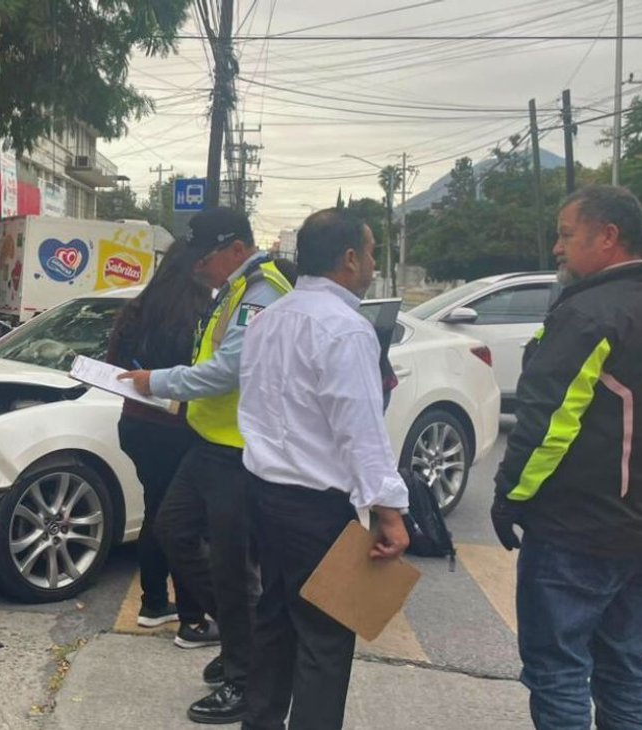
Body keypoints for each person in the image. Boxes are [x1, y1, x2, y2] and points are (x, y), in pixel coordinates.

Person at [490, 185, 642, 729]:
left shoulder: (588, 315)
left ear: (608, 236)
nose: (557, 248)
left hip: (578, 534)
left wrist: (509, 496)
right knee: (626, 668)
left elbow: (546, 427)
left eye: (565, 235)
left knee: (559, 671)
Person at [236, 208, 410, 730]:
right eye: (373, 251)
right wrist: (390, 511)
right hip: (316, 506)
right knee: (326, 640)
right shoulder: (346, 328)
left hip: (263, 492)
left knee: (274, 623)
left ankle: (260, 721)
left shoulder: (269, 319)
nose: (374, 263)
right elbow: (359, 428)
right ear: (349, 257)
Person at [120, 207, 294, 724]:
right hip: (210, 441)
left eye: (207, 255)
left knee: (232, 567)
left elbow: (225, 372)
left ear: (237, 249)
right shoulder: (237, 289)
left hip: (240, 451)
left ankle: (247, 676)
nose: (198, 265)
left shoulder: (263, 294)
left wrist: (157, 382)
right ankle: (246, 642)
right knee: (175, 531)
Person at [105, 239, 214, 631]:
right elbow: (208, 374)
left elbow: (113, 363)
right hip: (179, 427)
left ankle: (153, 603)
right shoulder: (203, 312)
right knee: (185, 523)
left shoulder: (136, 309)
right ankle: (192, 619)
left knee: (157, 511)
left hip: (135, 424)